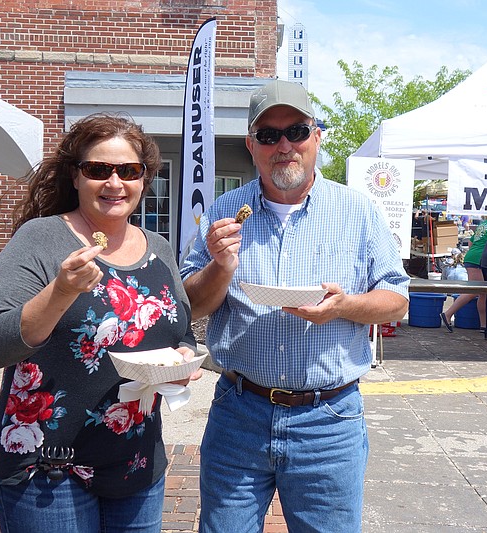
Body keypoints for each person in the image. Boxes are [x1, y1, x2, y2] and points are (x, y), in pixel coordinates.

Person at [180, 80, 410, 532]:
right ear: (251, 145)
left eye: (297, 131)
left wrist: (345, 306)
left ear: (317, 137)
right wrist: (221, 267)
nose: (284, 145)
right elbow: (191, 305)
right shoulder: (224, 212)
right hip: (239, 412)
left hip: (329, 420)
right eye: (268, 135)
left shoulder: (358, 212)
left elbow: (397, 300)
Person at [0, 114, 201, 532]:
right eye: (99, 169)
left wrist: (183, 358)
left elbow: (180, 329)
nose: (115, 183)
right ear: (75, 176)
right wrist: (60, 291)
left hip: (136, 462)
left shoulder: (160, 248)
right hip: (47, 470)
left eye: (129, 171)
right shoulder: (39, 240)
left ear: (143, 179)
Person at [440, 216, 487, 332]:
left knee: (482, 293)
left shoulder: (483, 224)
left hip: (472, 256)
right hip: (478, 259)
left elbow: (471, 242)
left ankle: (483, 325)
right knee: (474, 291)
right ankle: (448, 314)